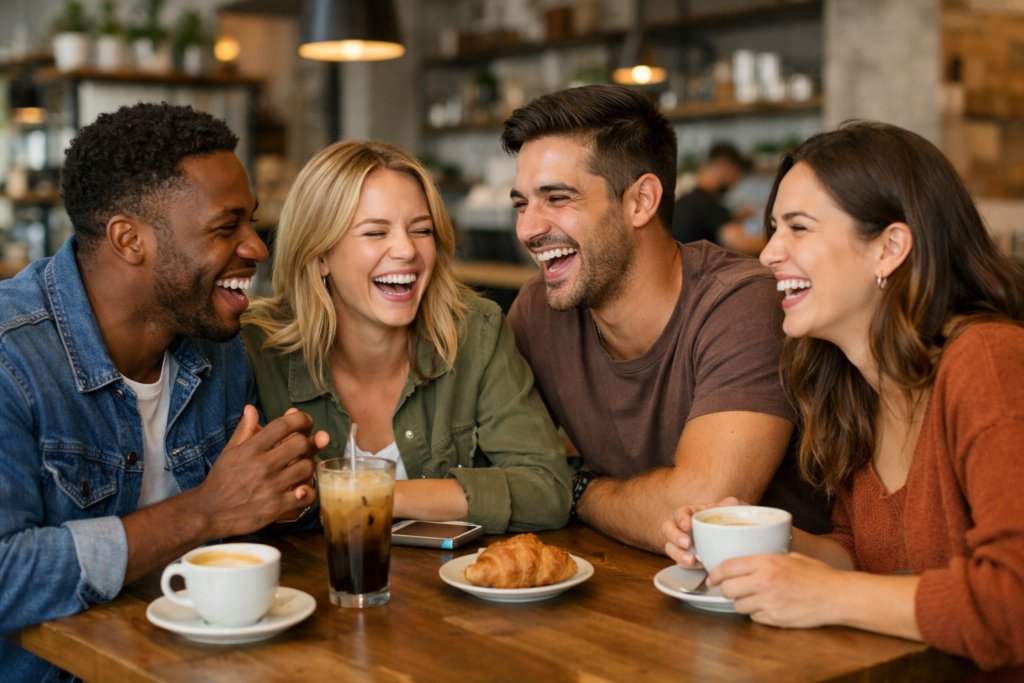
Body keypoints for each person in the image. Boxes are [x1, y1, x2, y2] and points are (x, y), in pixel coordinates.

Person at [663, 122, 1024, 676]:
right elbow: (860, 554)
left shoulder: (989, 362)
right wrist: (752, 537)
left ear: (889, 248)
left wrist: (827, 595)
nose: (768, 254)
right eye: (773, 228)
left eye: (798, 227)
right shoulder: (858, 388)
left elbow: (1012, 603)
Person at [0, 103, 328, 682]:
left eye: (251, 222)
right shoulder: (13, 359)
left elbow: (245, 530)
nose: (257, 248)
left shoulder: (217, 341)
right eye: (226, 228)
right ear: (129, 239)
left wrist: (288, 491)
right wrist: (204, 511)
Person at [502, 84, 831, 555]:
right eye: (521, 204)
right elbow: (496, 467)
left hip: (772, 592)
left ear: (641, 201)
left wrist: (577, 488)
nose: (527, 228)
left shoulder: (740, 302)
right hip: (625, 582)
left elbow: (701, 515)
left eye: (556, 198)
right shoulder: (539, 310)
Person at [242, 140, 572, 534]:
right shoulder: (254, 348)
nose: (406, 250)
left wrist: (365, 494)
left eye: (421, 230)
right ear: (320, 255)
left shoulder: (476, 333)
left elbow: (547, 491)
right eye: (374, 232)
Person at [672, 142, 763, 255]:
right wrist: (775, 242)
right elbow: (738, 241)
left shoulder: (684, 201)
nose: (736, 181)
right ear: (723, 164)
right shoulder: (707, 205)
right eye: (737, 173)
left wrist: (735, 216)